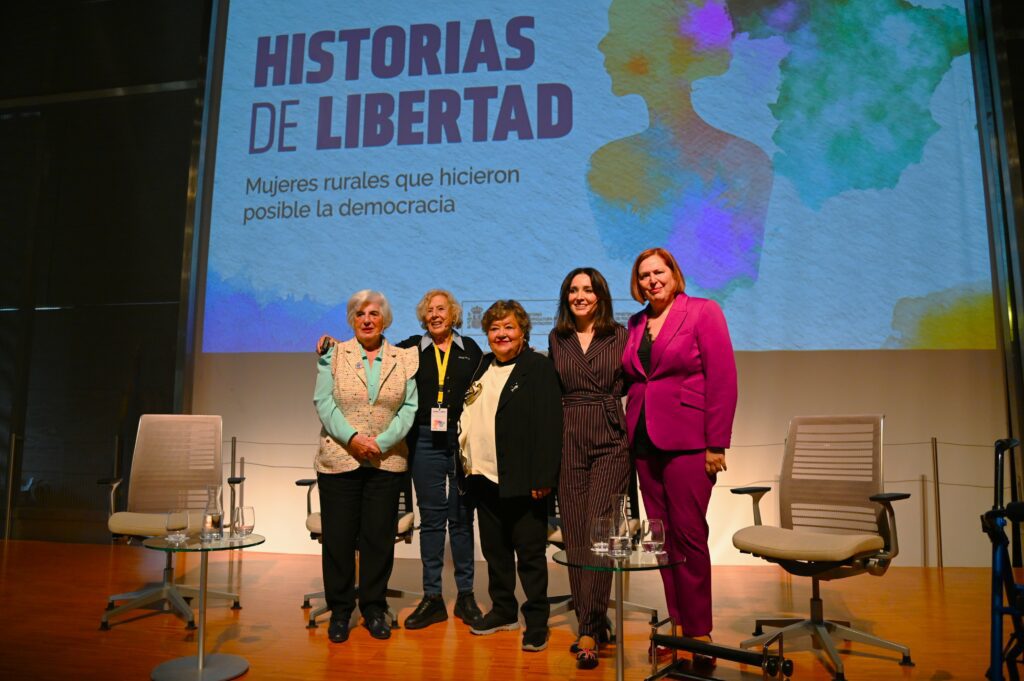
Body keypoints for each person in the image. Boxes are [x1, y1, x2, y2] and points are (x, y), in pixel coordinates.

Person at [621, 247, 737, 662]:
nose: (653, 280)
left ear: (674, 274)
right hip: (643, 441)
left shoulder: (703, 312)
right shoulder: (636, 323)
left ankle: (699, 631)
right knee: (662, 539)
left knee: (689, 536)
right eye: (645, 275)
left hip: (689, 442)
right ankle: (678, 626)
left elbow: (723, 379)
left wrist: (716, 443)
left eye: (659, 272)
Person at [312, 289, 419, 644]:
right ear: (352, 320)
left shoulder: (405, 358)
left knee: (378, 540)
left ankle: (374, 608)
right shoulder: (333, 353)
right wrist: (353, 438)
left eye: (374, 313)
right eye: (360, 314)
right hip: (339, 458)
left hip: (386, 460)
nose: (367, 320)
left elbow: (409, 408)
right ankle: (341, 611)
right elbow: (323, 402)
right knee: (338, 540)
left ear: (385, 320)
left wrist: (381, 443)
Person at [458, 300, 563, 652]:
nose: (501, 334)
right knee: (496, 552)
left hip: (524, 481)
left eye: (508, 327)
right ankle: (503, 610)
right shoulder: (483, 366)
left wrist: (543, 477)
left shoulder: (538, 367)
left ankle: (537, 622)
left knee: (530, 556)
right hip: (482, 477)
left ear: (523, 332)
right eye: (494, 328)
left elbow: (550, 426)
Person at [547, 268, 631, 670]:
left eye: (588, 289)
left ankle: (588, 630)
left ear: (601, 296)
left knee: (600, 531)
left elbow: (632, 382)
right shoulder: (557, 338)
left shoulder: (620, 335)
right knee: (577, 533)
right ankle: (591, 619)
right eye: (573, 290)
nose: (580, 296)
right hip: (568, 437)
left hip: (611, 436)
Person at [395, 290, 485, 629]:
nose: (435, 315)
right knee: (432, 521)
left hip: (461, 443)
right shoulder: (410, 349)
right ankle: (432, 597)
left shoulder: (470, 350)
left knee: (461, 520)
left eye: (441, 309)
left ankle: (465, 596)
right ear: (423, 316)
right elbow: (374, 349)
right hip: (425, 442)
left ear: (453, 314)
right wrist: (333, 346)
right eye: (429, 310)